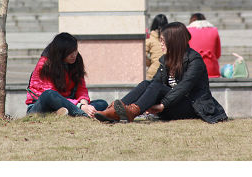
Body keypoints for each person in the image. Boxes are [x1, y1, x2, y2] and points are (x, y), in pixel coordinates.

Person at [95, 22, 227, 123]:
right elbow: (155, 83)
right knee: (147, 83)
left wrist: (163, 105)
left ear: (174, 42)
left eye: (163, 42)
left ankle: (131, 112)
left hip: (194, 107)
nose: (161, 45)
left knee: (155, 85)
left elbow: (184, 87)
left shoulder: (194, 60)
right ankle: (114, 111)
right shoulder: (166, 60)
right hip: (172, 104)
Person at [26, 32, 108, 117]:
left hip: (70, 104)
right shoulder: (45, 64)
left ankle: (64, 113)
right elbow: (53, 97)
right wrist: (81, 107)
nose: (74, 55)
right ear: (60, 52)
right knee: (49, 94)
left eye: (75, 50)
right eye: (69, 52)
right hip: (41, 107)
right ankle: (82, 115)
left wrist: (85, 104)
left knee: (102, 103)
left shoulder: (76, 61)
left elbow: (81, 88)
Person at [187, 13, 222, 78]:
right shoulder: (214, 30)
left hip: (193, 70)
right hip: (212, 70)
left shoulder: (188, 31)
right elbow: (218, 54)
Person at [146, 14, 169, 80]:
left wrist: (151, 64)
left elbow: (143, 56)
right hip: (168, 72)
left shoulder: (150, 38)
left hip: (153, 72)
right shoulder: (170, 38)